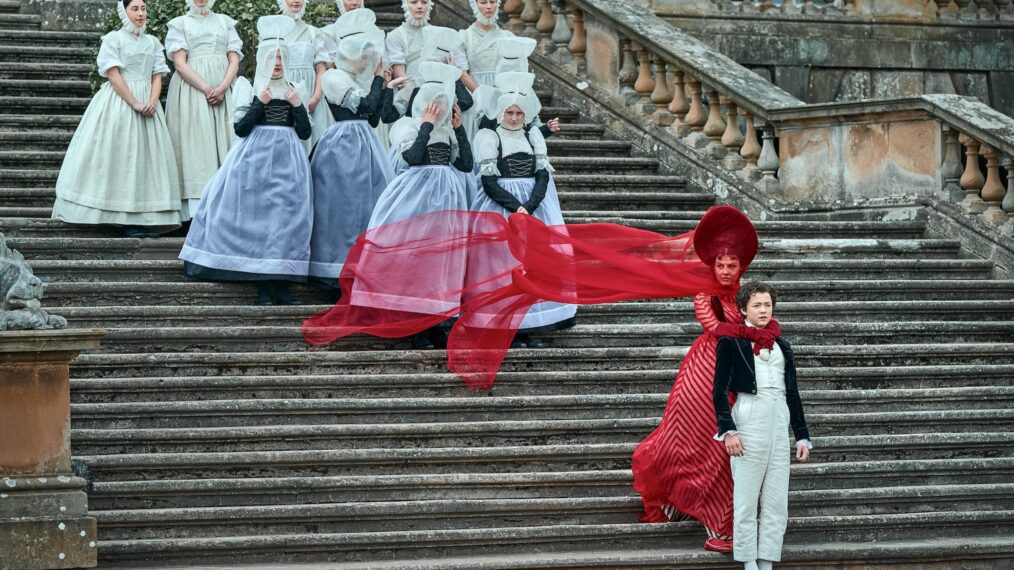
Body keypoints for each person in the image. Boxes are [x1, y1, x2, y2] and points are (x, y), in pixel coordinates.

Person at [630, 205, 782, 553]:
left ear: (742, 267)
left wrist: (767, 330)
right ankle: (711, 520)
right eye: (721, 265)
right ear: (712, 266)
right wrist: (756, 332)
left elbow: (765, 320)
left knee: (725, 449)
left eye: (732, 265)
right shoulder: (705, 295)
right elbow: (715, 328)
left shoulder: (747, 296)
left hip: (739, 375)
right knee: (708, 446)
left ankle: (715, 518)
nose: (726, 271)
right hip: (704, 376)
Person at [179, 15, 313, 306]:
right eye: (273, 57)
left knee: (285, 221)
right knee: (259, 220)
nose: (277, 63)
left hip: (288, 160)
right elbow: (241, 129)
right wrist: (259, 103)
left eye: (282, 57)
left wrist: (297, 105)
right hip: (256, 158)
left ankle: (282, 284)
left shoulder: (295, 88)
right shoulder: (250, 88)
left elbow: (304, 132)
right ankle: (262, 285)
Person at [356, 61, 472, 348]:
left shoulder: (446, 130)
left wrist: (458, 130)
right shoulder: (407, 125)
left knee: (438, 260)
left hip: (446, 200)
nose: (438, 108)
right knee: (411, 256)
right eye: (433, 102)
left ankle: (434, 321)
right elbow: (412, 158)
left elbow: (465, 164)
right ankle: (407, 324)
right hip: (415, 196)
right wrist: (426, 126)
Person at [52, 0, 182, 238]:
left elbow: (157, 75)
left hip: (147, 104)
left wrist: (152, 101)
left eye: (143, 8)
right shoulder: (113, 40)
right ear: (124, 11)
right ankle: (113, 214)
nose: (140, 13)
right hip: (120, 103)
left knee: (145, 160)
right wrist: (134, 102)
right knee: (120, 156)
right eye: (135, 9)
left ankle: (141, 217)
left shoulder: (152, 42)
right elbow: (113, 75)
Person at [470, 71, 574, 347]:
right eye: (509, 112)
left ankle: (528, 324)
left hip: (533, 207)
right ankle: (504, 325)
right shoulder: (490, 138)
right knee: (503, 265)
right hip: (501, 209)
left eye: (518, 113)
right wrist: (516, 207)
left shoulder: (533, 137)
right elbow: (489, 182)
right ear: (501, 113)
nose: (514, 118)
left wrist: (530, 206)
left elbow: (542, 175)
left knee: (533, 264)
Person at [713, 282, 811, 570]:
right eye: (757, 305)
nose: (763, 310)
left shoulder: (783, 346)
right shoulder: (731, 341)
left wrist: (801, 436)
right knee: (745, 497)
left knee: (777, 499)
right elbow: (719, 390)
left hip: (779, 418)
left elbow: (793, 392)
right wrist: (728, 430)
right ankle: (748, 561)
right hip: (749, 416)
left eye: (767, 305)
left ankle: (767, 560)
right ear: (743, 309)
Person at [309, 8, 396, 294]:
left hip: (366, 143)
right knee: (340, 206)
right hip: (342, 145)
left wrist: (386, 87)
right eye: (363, 55)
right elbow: (363, 107)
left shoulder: (358, 81)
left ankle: (364, 269)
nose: (367, 61)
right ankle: (332, 270)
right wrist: (378, 81)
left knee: (368, 206)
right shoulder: (333, 77)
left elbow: (374, 118)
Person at [164, 0, 242, 219]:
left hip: (224, 89)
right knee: (195, 145)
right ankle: (195, 211)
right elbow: (180, 64)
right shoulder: (180, 24)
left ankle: (226, 207)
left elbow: (234, 60)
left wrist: (223, 87)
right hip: (192, 91)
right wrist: (207, 88)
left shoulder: (225, 22)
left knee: (227, 141)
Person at [278, 0, 335, 153]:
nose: (296, 1)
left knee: (315, 143)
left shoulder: (313, 33)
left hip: (311, 93)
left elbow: (321, 69)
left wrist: (316, 97)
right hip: (283, 91)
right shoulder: (275, 30)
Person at [458, 0, 514, 140]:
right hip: (474, 93)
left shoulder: (508, 37)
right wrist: (482, 96)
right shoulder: (463, 36)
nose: (489, 6)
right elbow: (462, 73)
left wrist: (496, 93)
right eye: (483, 2)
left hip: (502, 93)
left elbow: (513, 69)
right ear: (474, 5)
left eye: (492, 2)